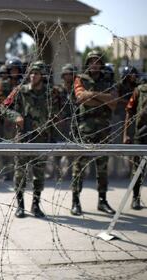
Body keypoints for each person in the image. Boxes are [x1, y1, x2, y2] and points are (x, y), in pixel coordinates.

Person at [1, 61, 52, 218]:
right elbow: (3, 107)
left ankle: (36, 204)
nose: (33, 76)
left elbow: (57, 112)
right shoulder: (20, 90)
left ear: (42, 75)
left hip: (41, 139)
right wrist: (16, 116)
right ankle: (20, 205)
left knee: (39, 173)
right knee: (20, 173)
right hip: (23, 137)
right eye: (31, 72)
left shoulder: (49, 93)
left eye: (36, 73)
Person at [71, 50, 117, 216]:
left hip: (104, 129)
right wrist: (102, 97)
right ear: (87, 63)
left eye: (97, 61)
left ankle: (102, 200)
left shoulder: (108, 79)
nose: (94, 64)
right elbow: (81, 97)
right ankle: (75, 201)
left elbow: (113, 103)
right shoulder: (80, 79)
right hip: (86, 129)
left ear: (101, 63)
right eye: (91, 61)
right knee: (80, 166)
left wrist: (93, 95)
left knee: (102, 166)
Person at [123, 78, 147, 210]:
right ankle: (135, 198)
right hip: (142, 133)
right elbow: (129, 111)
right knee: (138, 168)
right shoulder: (140, 90)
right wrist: (125, 134)